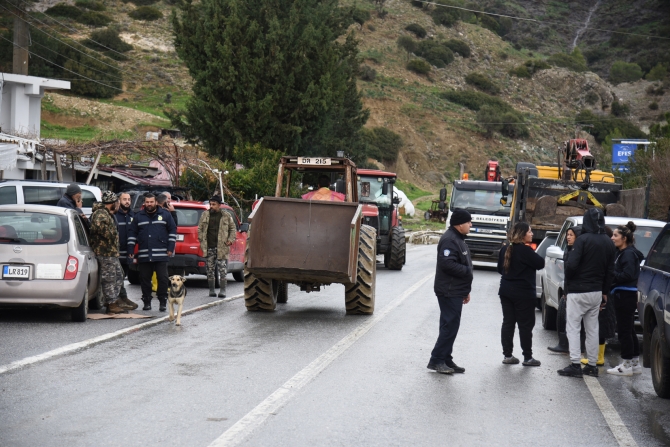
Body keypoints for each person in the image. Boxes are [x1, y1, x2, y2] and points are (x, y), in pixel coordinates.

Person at [558, 208, 615, 378]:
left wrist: (570, 281)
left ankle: (575, 364)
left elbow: (572, 265)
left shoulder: (582, 240)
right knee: (592, 329)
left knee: (573, 327)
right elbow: (610, 270)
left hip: (578, 290)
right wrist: (605, 291)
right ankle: (592, 365)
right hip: (597, 291)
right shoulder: (608, 242)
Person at [427, 208, 473, 375]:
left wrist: (465, 290)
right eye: (468, 222)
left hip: (455, 290)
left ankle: (446, 358)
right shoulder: (449, 240)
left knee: (450, 325)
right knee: (449, 326)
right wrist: (467, 271)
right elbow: (447, 264)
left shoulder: (458, 238)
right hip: (448, 290)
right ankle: (437, 360)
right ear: (459, 224)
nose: (470, 225)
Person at [497, 222, 545, 366]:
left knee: (508, 323)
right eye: (530, 232)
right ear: (523, 235)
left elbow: (500, 269)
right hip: (523, 293)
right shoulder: (526, 251)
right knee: (525, 325)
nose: (532, 234)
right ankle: (528, 357)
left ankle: (507, 355)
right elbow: (540, 263)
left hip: (506, 290)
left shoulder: (505, 249)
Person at [127, 193, 177, 312]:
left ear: (155, 202)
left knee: (163, 279)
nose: (149, 204)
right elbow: (132, 234)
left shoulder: (165, 215)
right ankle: (147, 301)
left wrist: (170, 248)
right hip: (144, 254)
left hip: (161, 254)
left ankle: (163, 301)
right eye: (147, 202)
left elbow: (172, 231)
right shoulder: (138, 217)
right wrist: (130, 249)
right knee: (144, 279)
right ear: (144, 203)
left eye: (151, 202)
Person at [607, 222, 644, 376]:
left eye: (615, 235)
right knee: (628, 329)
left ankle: (626, 365)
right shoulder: (623, 253)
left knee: (623, 330)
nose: (612, 238)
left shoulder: (628, 254)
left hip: (625, 294)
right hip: (624, 293)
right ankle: (634, 363)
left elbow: (628, 275)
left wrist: (612, 276)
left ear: (624, 238)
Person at [89, 191, 125, 314]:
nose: (117, 205)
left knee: (119, 276)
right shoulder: (100, 214)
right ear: (112, 203)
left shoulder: (106, 213)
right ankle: (111, 304)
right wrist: (113, 234)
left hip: (111, 252)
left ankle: (113, 300)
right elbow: (100, 230)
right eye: (116, 203)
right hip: (104, 252)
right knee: (109, 278)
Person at [548, 226, 581, 353]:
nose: (568, 237)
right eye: (567, 234)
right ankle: (564, 343)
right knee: (566, 318)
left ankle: (572, 349)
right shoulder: (568, 250)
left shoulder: (577, 252)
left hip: (576, 291)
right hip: (569, 289)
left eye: (571, 235)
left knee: (573, 321)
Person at [197, 196, 237, 297]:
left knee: (222, 269)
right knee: (209, 269)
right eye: (210, 204)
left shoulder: (226, 215)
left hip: (222, 247)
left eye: (214, 204)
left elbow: (233, 228)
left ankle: (223, 290)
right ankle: (211, 289)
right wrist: (201, 239)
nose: (211, 206)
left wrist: (230, 240)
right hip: (209, 246)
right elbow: (200, 228)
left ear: (219, 205)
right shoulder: (205, 215)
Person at [114, 192, 138, 310]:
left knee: (122, 277)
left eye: (128, 199)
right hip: (116, 253)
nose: (127, 201)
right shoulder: (115, 215)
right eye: (124, 199)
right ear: (119, 201)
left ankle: (122, 298)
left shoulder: (133, 215)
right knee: (116, 277)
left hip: (128, 253)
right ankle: (118, 299)